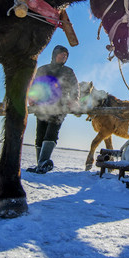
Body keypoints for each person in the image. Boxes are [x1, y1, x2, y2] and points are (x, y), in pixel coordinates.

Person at [26, 45, 79, 173]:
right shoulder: (43, 69)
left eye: (66, 55)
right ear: (55, 55)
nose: (64, 57)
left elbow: (74, 87)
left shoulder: (68, 71)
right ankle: (41, 164)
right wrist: (31, 98)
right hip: (41, 106)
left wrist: (74, 100)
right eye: (62, 54)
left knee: (51, 133)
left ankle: (43, 163)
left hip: (60, 106)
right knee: (40, 135)